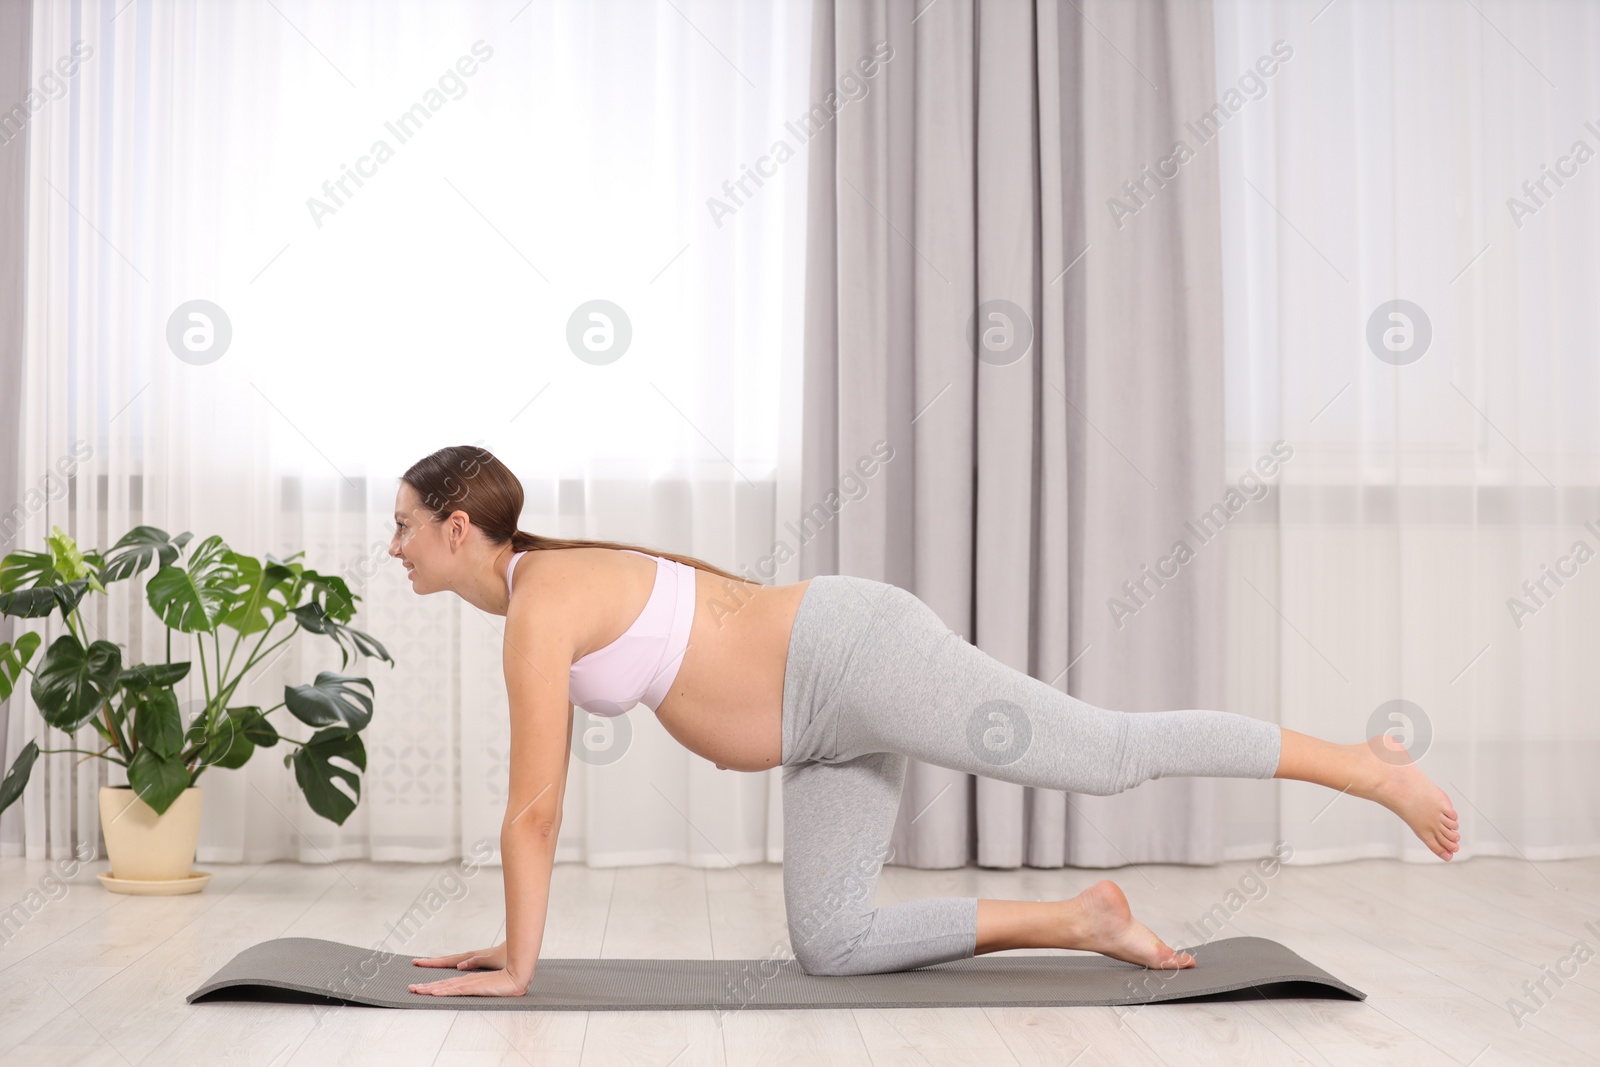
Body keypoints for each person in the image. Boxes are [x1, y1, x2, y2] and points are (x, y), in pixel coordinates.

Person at [392, 446, 1459, 998]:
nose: (392, 545)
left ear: (454, 527)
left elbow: (532, 812)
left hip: (853, 657)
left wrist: (520, 964)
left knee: (1103, 753)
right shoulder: (544, 589)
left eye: (401, 526)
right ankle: (1082, 920)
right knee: (835, 942)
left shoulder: (539, 602)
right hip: (818, 726)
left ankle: (1365, 767)